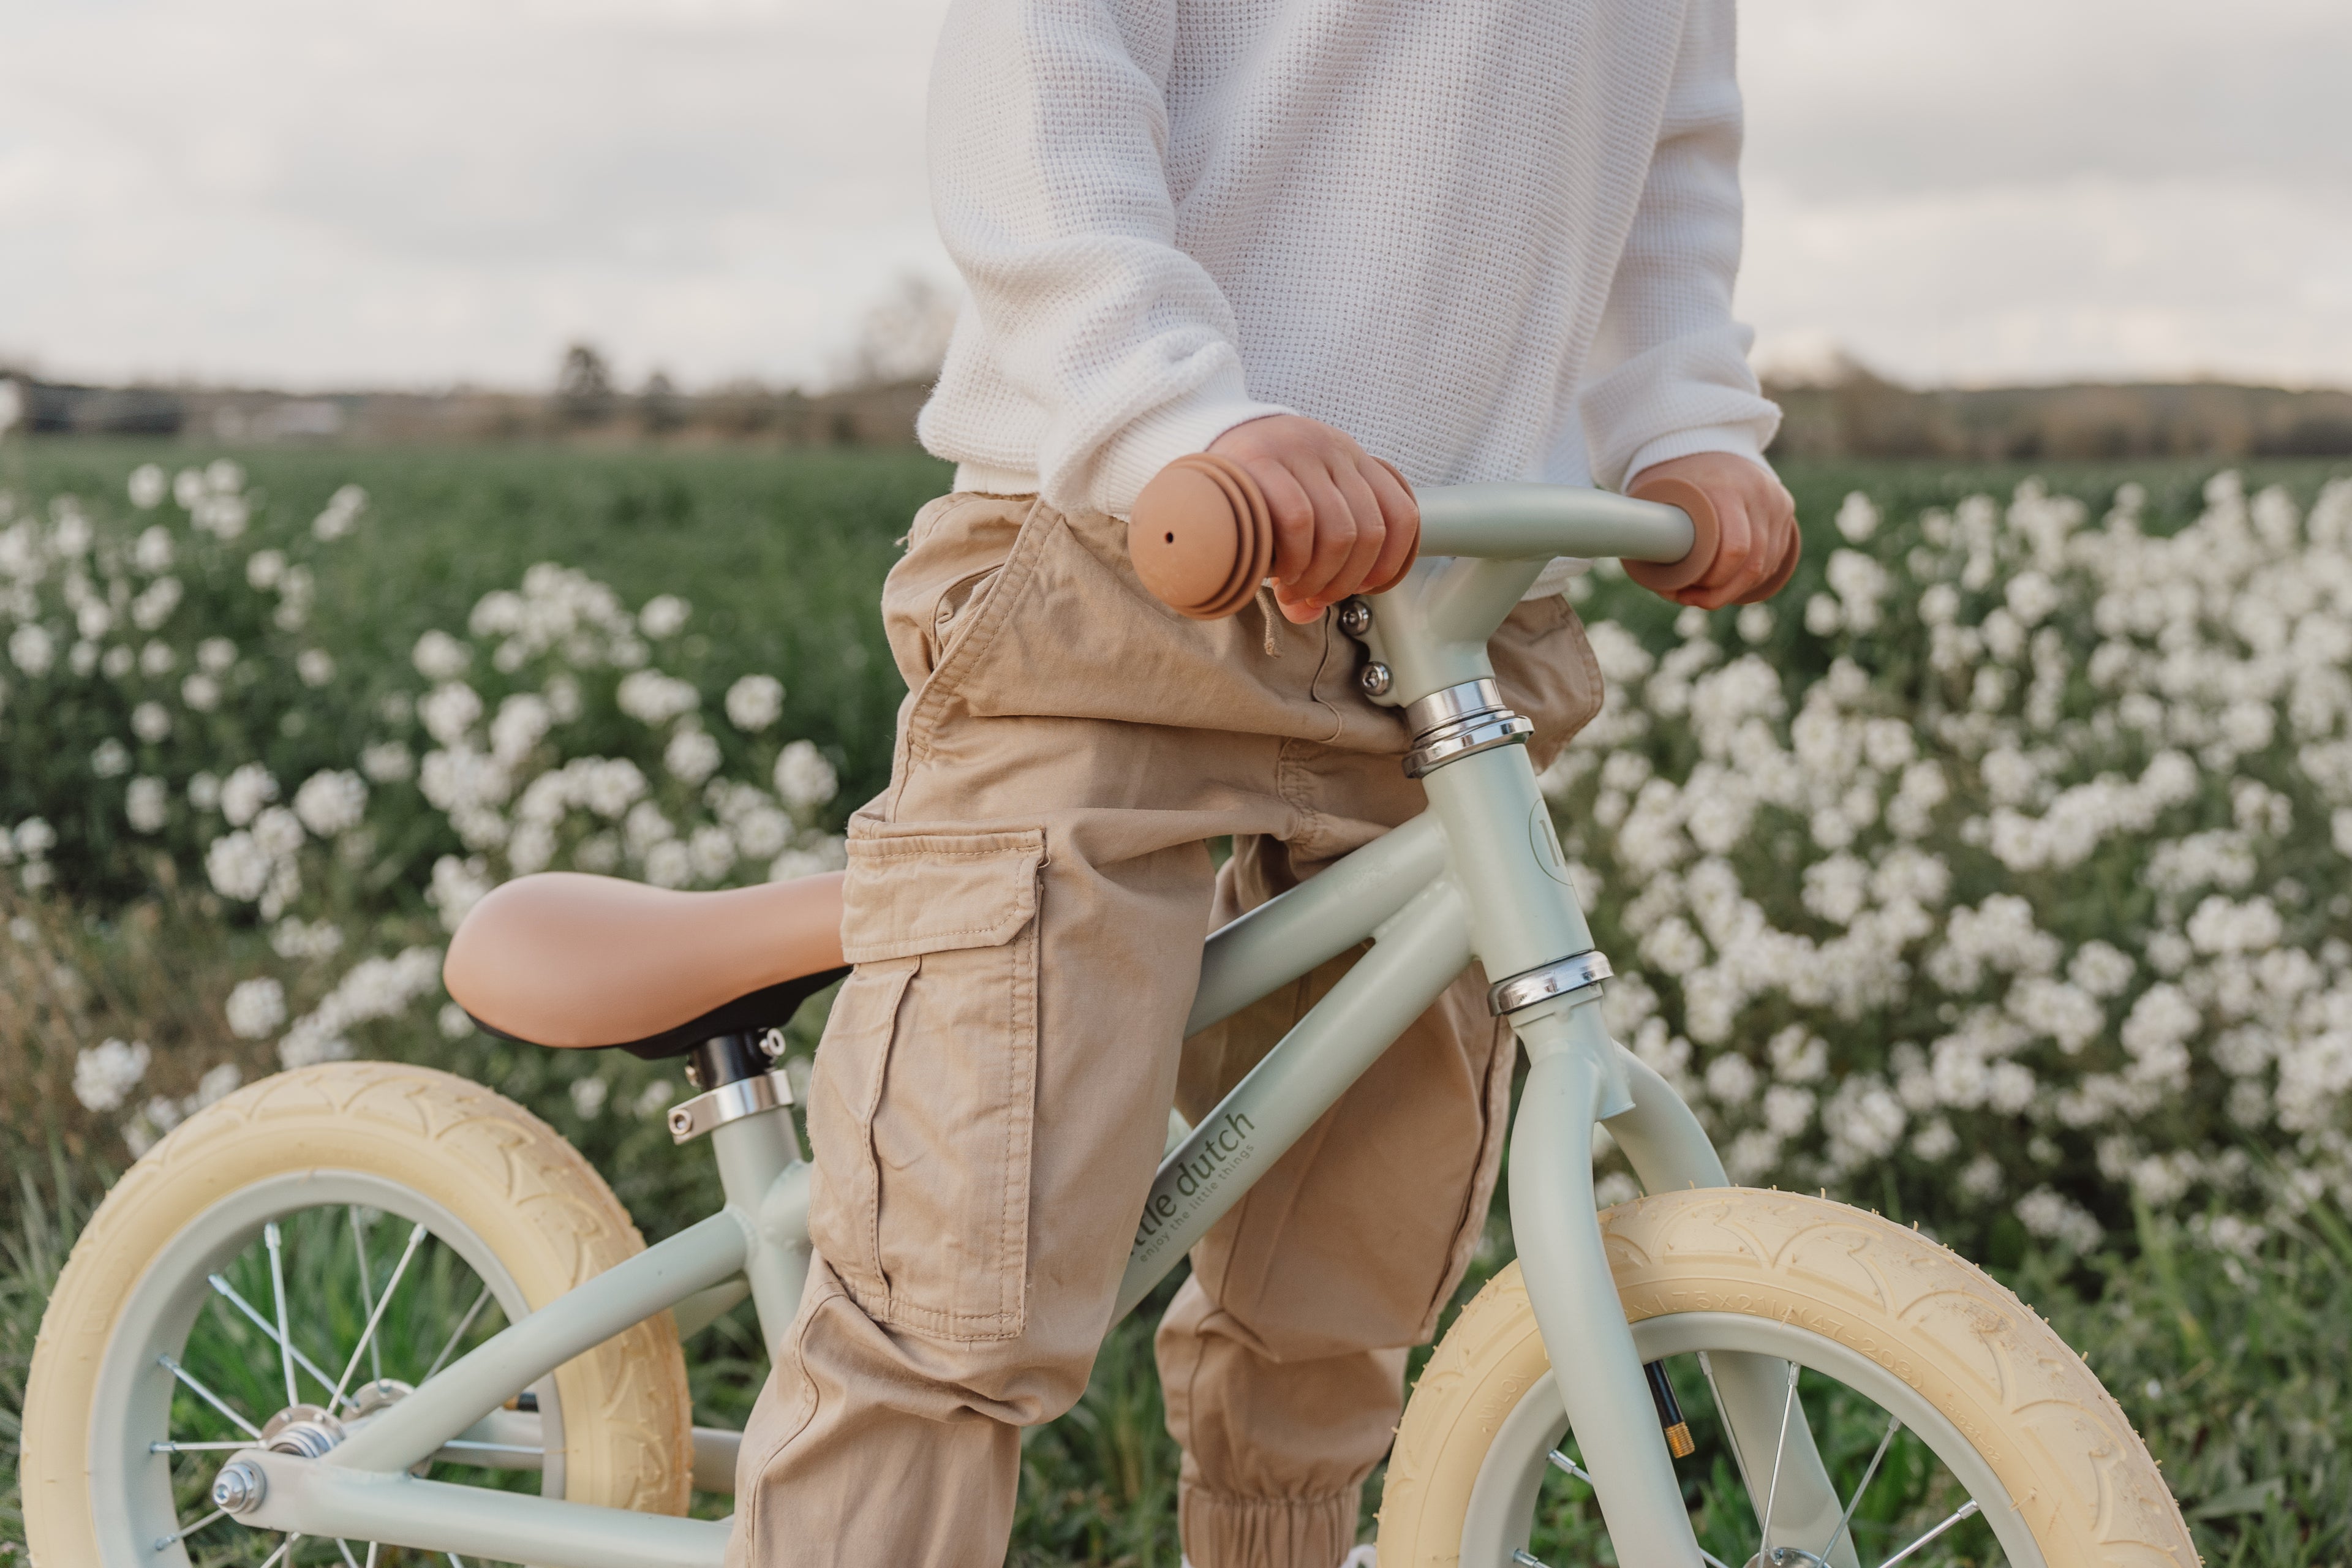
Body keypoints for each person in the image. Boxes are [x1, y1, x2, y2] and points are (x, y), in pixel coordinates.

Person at [728, 1, 1796, 1564]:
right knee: (962, 1272)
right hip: (1126, 560)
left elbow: (1666, 166)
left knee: (1346, 1272)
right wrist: (1179, 408)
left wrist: (1682, 412)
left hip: (1453, 597)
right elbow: (1041, 85)